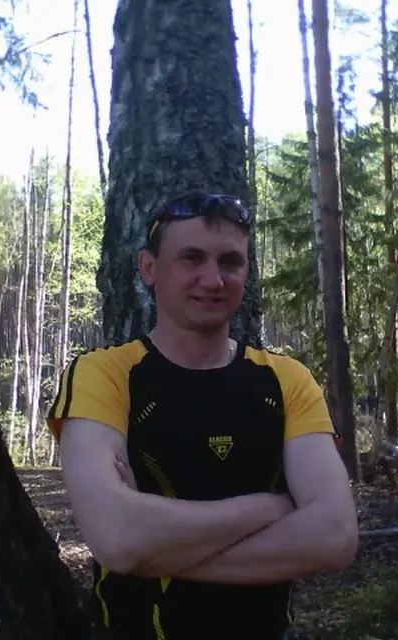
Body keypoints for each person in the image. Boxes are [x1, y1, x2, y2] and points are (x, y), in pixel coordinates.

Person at [48, 190, 358, 640]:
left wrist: (152, 552)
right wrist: (269, 507)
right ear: (149, 268)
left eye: (230, 262)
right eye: (191, 258)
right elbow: (116, 537)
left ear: (246, 271)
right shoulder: (105, 374)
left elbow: (334, 536)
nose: (213, 280)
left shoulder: (286, 380)